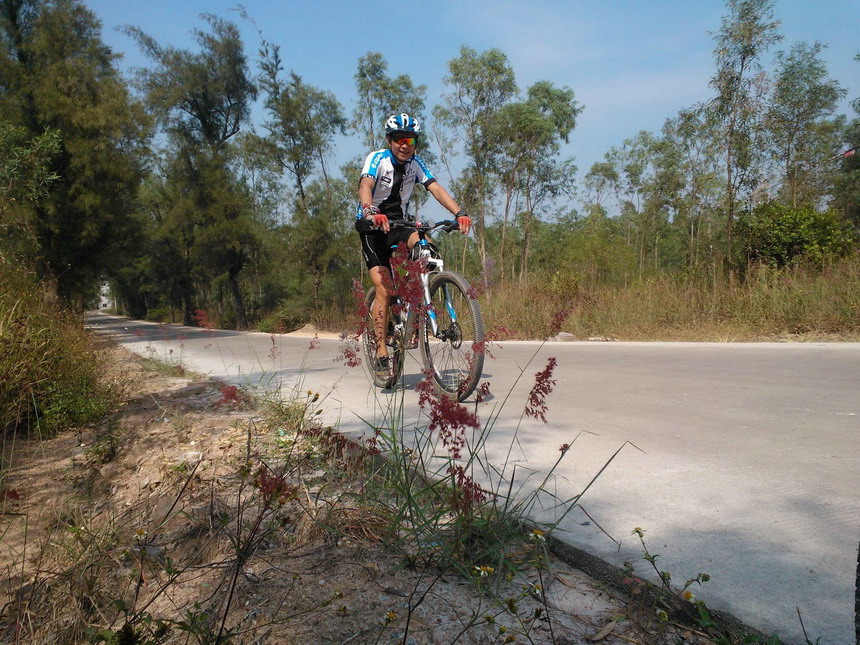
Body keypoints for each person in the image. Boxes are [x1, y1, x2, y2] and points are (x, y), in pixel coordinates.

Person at [356, 113, 471, 374]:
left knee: (426, 247)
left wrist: (460, 212)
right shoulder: (378, 159)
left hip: (399, 223)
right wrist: (370, 210)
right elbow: (366, 184)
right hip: (373, 227)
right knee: (384, 289)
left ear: (415, 143)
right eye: (398, 139)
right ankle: (381, 350)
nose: (404, 145)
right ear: (389, 140)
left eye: (409, 140)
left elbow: (435, 188)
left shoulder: (415, 164)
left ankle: (413, 300)